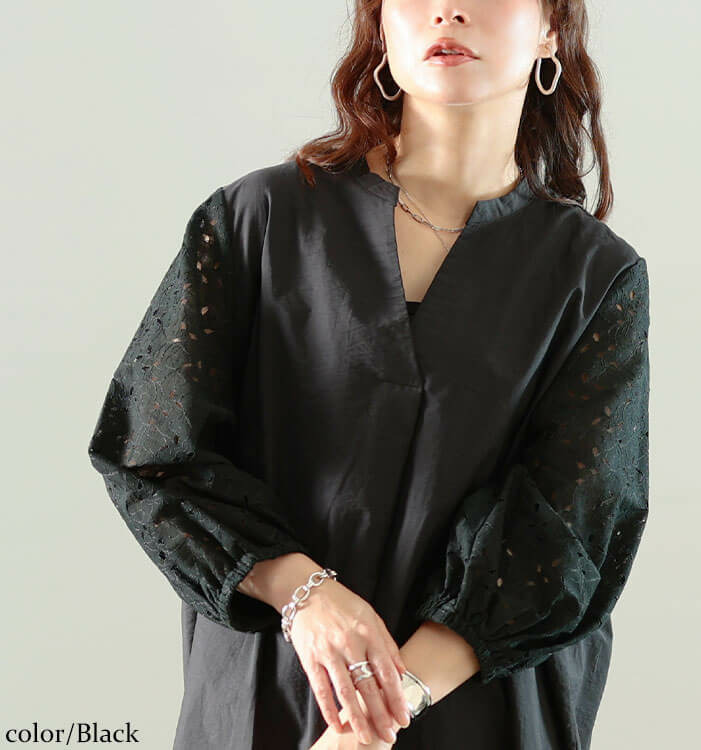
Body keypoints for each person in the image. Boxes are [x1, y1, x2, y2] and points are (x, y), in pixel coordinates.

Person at [87, 1, 650, 748]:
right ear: (381, 27)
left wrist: (376, 715)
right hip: (272, 688)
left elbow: (568, 534)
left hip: (474, 706)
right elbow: (154, 452)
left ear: (552, 28)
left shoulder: (594, 278)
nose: (448, 10)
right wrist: (307, 597)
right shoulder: (258, 221)